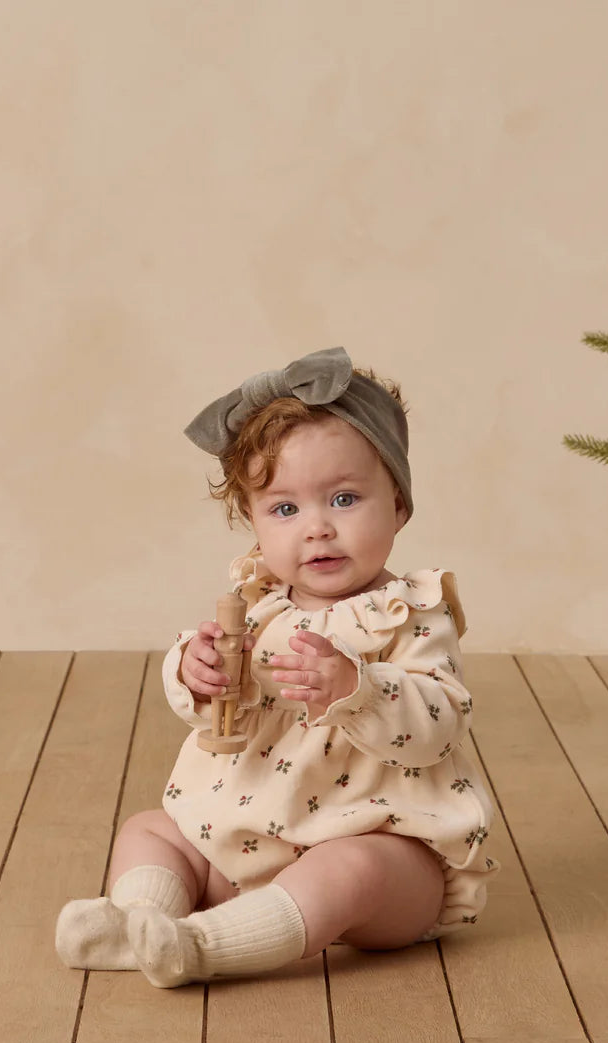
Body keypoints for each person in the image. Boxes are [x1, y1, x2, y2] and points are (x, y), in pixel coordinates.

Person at [55, 346, 497, 988]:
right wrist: (195, 672)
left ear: (399, 505)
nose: (317, 528)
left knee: (350, 870)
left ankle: (203, 946)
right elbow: (212, 713)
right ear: (254, 522)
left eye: (344, 498)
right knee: (152, 830)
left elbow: (439, 724)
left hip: (380, 856)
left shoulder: (412, 614)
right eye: (285, 509)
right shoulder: (257, 607)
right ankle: (140, 923)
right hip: (243, 841)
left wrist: (359, 690)